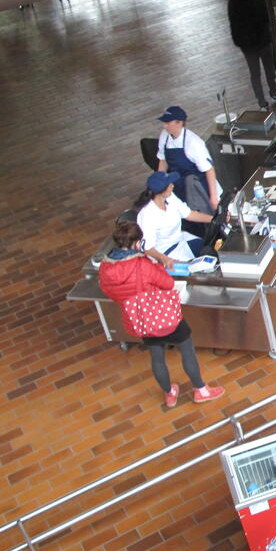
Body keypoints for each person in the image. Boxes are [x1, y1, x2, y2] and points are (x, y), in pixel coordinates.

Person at [97, 219, 225, 408]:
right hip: (164, 315)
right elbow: (167, 283)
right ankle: (200, 389)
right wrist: (156, 264)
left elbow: (108, 291)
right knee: (187, 350)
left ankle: (169, 393)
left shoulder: (106, 268)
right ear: (137, 243)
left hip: (141, 319)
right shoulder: (142, 264)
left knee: (157, 357)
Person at [135, 170, 215, 266]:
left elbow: (189, 214)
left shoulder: (170, 197)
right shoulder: (148, 215)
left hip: (181, 240)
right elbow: (147, 248)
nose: (173, 185)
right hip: (165, 252)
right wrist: (165, 259)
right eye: (170, 184)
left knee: (211, 250)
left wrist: (215, 219)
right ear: (162, 191)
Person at [224, 0, 276, 110]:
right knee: (269, 68)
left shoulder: (232, 1)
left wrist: (239, 41)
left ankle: (261, 103)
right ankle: (274, 92)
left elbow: (233, 23)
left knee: (254, 74)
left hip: (247, 45)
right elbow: (265, 16)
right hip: (263, 40)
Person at [155, 105, 222, 214]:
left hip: (200, 187)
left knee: (205, 217)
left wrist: (213, 198)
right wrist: (160, 182)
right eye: (164, 122)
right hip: (179, 184)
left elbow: (209, 170)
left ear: (180, 123)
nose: (164, 126)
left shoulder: (193, 143)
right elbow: (163, 159)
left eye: (168, 123)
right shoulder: (165, 136)